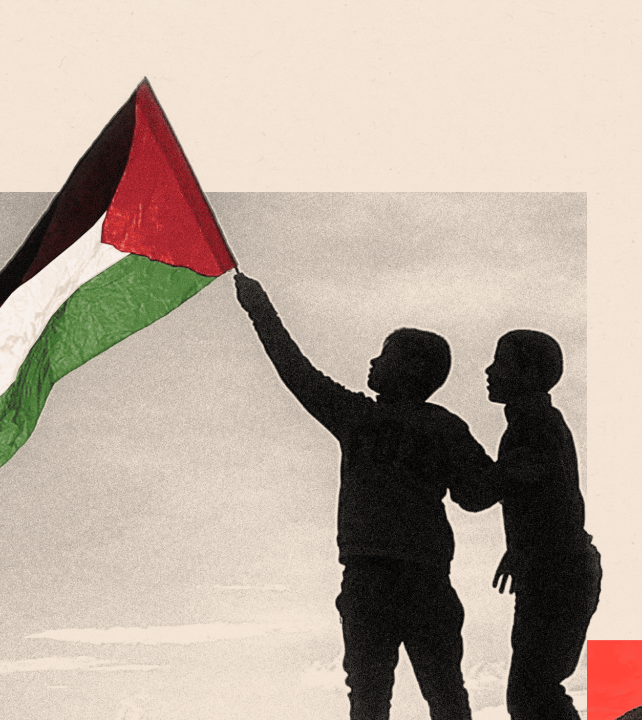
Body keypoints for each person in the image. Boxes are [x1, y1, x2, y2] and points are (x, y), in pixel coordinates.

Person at [233, 273, 493, 720]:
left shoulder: (360, 418)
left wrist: (261, 311)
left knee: (373, 697)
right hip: (422, 577)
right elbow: (477, 494)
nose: (373, 360)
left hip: (375, 577)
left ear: (409, 370)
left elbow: (297, 373)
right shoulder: (444, 427)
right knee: (445, 693)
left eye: (385, 355)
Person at [472, 330, 602, 720]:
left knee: (532, 694)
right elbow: (550, 498)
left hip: (558, 575)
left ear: (529, 373)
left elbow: (497, 488)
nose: (489, 370)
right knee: (535, 691)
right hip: (558, 571)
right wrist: (518, 551)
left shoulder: (533, 425)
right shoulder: (535, 423)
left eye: (501, 362)